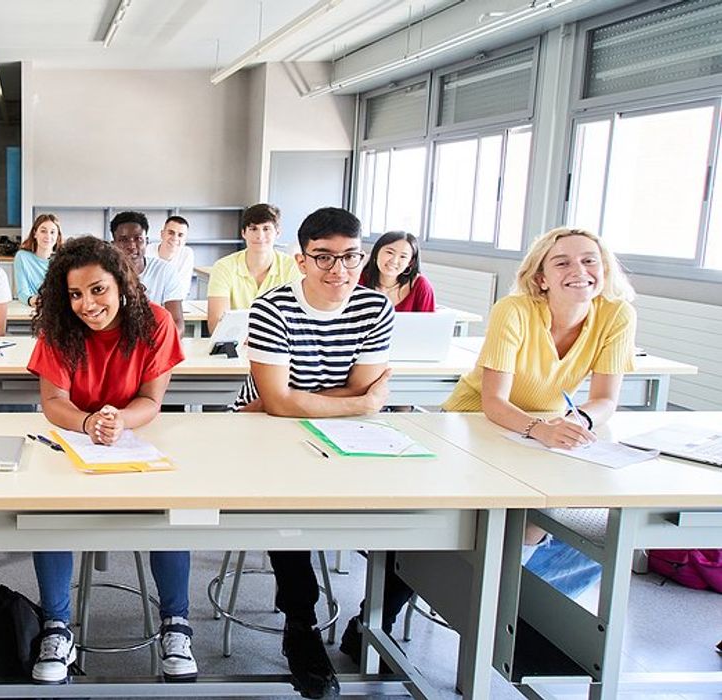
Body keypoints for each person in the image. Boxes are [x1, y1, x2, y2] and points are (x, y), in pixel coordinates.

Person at [340, 227, 637, 668]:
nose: (580, 271)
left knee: (547, 522)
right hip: (472, 422)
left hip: (547, 430)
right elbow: (495, 401)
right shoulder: (515, 310)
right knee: (443, 524)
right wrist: (539, 427)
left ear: (604, 268)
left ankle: (502, 607)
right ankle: (375, 620)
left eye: (590, 260)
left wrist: (580, 420)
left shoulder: (616, 315)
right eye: (563, 262)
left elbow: (606, 398)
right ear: (541, 277)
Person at [235, 207, 393, 700]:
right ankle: (300, 626)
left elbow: (310, 395)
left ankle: (371, 622)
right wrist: (355, 401)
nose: (337, 270)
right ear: (301, 260)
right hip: (263, 430)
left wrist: (301, 401)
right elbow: (280, 403)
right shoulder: (272, 307)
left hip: (343, 432)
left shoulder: (375, 309)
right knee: (288, 512)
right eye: (323, 257)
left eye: (349, 257)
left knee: (413, 512)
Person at [25, 236, 193, 684]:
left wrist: (119, 419)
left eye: (97, 289)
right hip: (74, 438)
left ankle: (176, 622)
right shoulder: (60, 327)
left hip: (133, 437)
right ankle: (56, 625)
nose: (86, 304)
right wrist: (88, 424)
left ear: (122, 283)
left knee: (173, 509)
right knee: (49, 511)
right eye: (75, 294)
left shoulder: (155, 322)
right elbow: (53, 400)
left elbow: (151, 400)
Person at [206, 203, 302, 333]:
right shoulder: (224, 267)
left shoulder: (292, 267)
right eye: (253, 229)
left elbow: (296, 320)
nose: (260, 236)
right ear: (243, 233)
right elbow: (217, 324)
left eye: (266, 229)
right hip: (236, 347)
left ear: (277, 233)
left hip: (278, 347)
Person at [109, 211, 186, 335]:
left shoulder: (165, 271)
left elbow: (177, 324)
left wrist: (152, 347)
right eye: (123, 240)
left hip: (154, 343)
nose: (132, 245)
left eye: (138, 239)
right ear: (113, 245)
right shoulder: (105, 275)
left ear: (147, 241)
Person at [358, 231, 435, 312]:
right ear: (376, 253)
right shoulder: (359, 280)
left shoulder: (421, 286)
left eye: (403, 256)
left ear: (410, 263)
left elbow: (430, 323)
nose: (394, 261)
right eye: (389, 252)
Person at [14, 213, 62, 306]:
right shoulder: (22, 257)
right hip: (32, 309)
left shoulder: (63, 259)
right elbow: (22, 292)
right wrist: (32, 300)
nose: (48, 236)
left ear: (57, 237)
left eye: (52, 232)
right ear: (35, 233)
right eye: (43, 231)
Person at [152, 215, 194, 298]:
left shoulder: (187, 254)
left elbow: (182, 290)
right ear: (162, 234)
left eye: (180, 235)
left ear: (185, 239)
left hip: (174, 303)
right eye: (171, 233)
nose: (175, 238)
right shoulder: (147, 251)